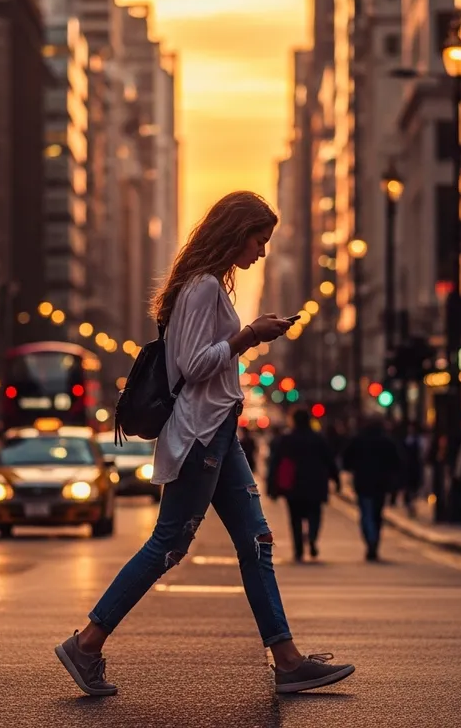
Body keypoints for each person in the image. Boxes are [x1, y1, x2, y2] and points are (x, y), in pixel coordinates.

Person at [54, 191, 355, 697]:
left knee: (256, 541)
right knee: (167, 545)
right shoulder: (201, 286)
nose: (262, 251)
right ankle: (86, 643)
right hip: (201, 433)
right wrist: (250, 335)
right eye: (259, 240)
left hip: (220, 429)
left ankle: (287, 660)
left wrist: (250, 336)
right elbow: (193, 366)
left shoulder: (207, 285)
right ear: (236, 233)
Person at [267, 409, 340, 562]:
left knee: (295, 518)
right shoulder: (318, 438)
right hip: (316, 483)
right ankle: (312, 537)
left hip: (293, 485)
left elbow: (275, 462)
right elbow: (330, 461)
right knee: (315, 514)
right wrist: (336, 479)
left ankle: (298, 549)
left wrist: (272, 485)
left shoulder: (286, 439)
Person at [342, 416, 402, 561]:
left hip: (363, 482)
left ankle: (370, 539)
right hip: (381, 483)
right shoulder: (387, 441)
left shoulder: (358, 440)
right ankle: (374, 540)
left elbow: (346, 459)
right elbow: (397, 462)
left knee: (366, 513)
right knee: (377, 514)